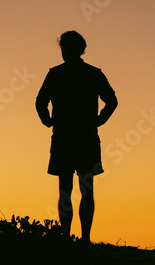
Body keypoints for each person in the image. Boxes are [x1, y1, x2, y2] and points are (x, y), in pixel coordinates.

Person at [35, 31, 117, 243]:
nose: (64, 52)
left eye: (66, 48)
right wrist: (99, 120)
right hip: (80, 137)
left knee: (69, 190)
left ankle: (74, 238)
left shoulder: (59, 74)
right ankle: (80, 238)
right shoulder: (89, 73)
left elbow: (40, 101)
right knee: (79, 190)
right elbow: (112, 101)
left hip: (71, 138)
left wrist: (47, 119)